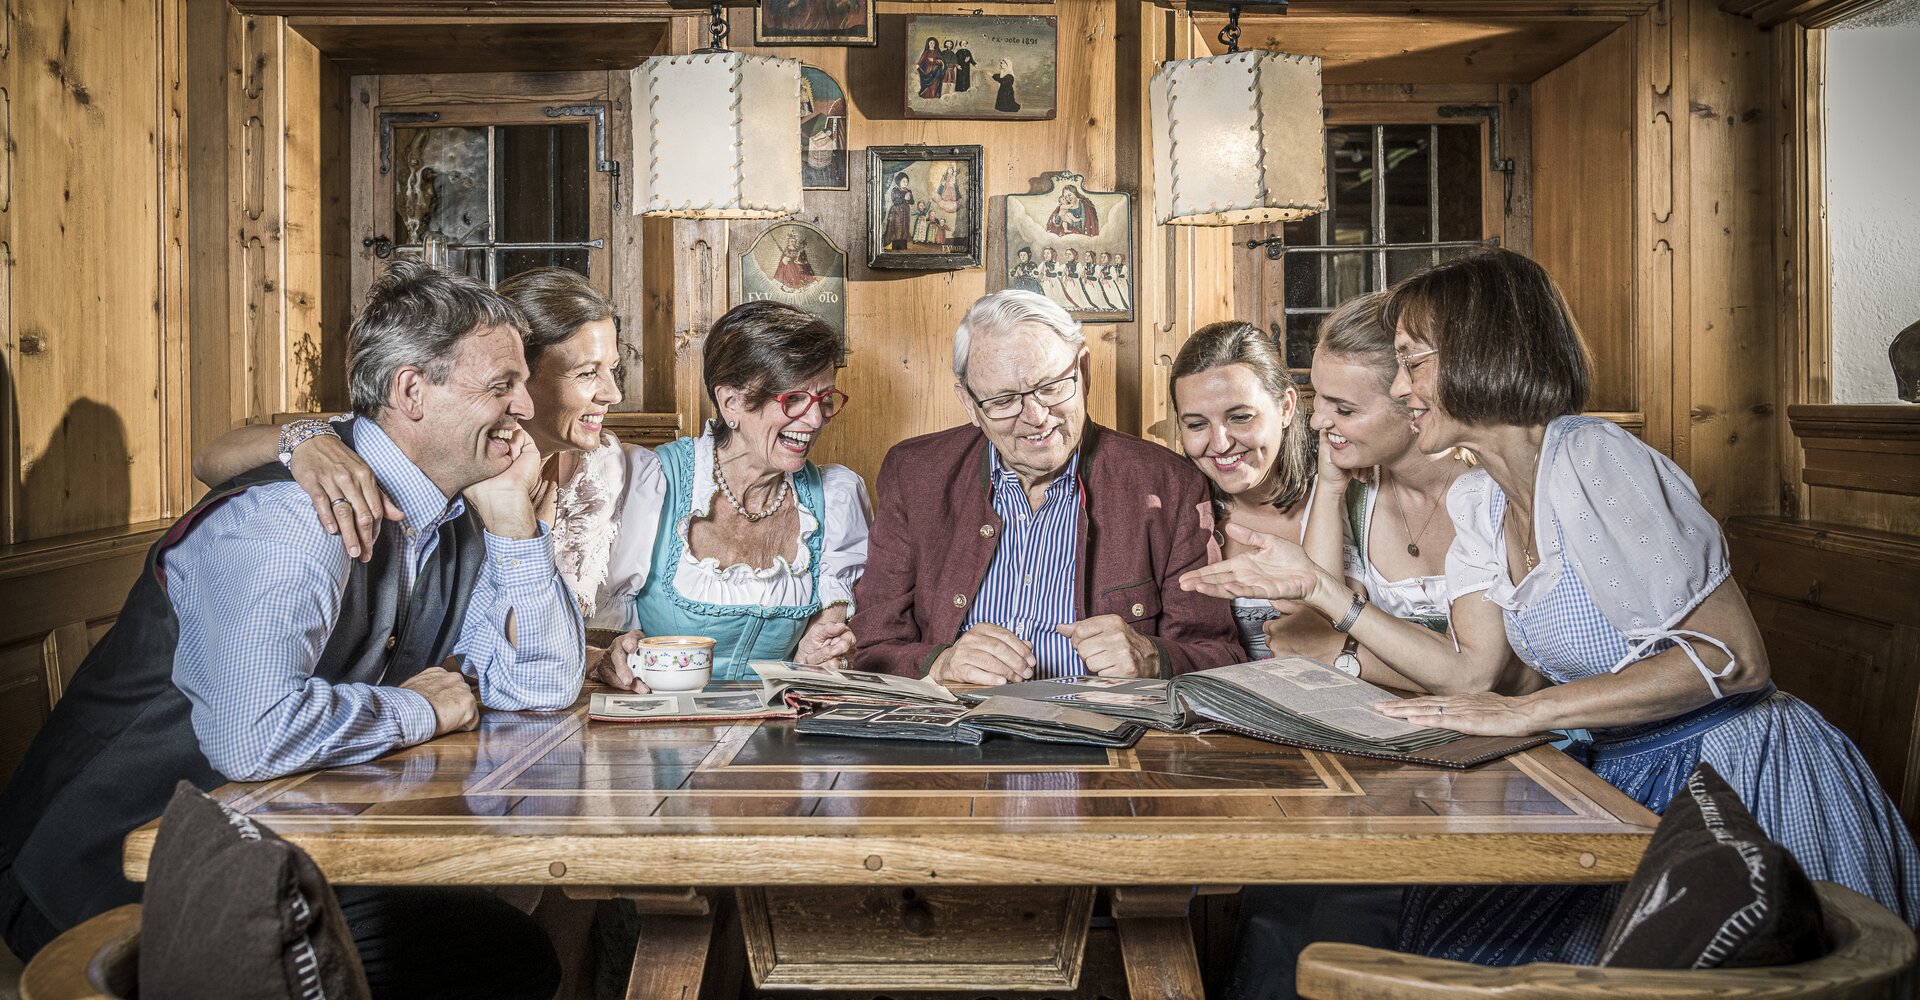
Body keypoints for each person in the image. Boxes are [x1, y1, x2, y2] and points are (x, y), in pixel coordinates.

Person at [1181, 248, 1920, 964]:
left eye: (1413, 362)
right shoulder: (1483, 499)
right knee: (1444, 929)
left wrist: (1525, 711)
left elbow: (1734, 661)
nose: (1403, 389)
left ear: (1481, 354)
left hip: (1734, 777)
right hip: (1623, 770)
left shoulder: (1593, 456)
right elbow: (1477, 675)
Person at [0, 262, 583, 998]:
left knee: (499, 938)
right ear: (411, 391)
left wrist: (512, 517)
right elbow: (254, 733)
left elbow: (542, 684)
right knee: (491, 953)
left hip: (269, 847)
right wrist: (422, 708)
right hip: (99, 871)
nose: (526, 405)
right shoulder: (292, 517)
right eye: (502, 386)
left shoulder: (458, 512)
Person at [1214, 293, 1453, 1000]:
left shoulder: (1481, 492)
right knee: (1282, 896)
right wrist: (1329, 476)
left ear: (1413, 401)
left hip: (1493, 747)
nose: (1318, 421)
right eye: (1317, 401)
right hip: (1392, 742)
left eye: (1341, 410)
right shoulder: (1355, 490)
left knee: (1340, 903)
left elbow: (1485, 677)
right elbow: (1309, 636)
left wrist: (1349, 653)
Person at [194, 267, 630, 624]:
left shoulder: (598, 469)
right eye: (587, 373)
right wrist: (305, 439)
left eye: (612, 369)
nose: (614, 394)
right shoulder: (416, 457)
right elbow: (208, 460)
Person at [855, 289, 1241, 685]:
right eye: (1005, 400)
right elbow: (872, 645)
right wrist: (941, 663)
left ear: (1084, 371)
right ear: (970, 405)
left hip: (1100, 732)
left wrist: (1155, 659)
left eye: (1052, 387)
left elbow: (1219, 654)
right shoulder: (915, 472)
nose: (1037, 417)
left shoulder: (1170, 483)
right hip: (959, 729)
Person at [591, 301, 870, 683]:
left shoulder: (835, 499)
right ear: (730, 402)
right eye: (793, 400)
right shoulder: (652, 483)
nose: (815, 419)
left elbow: (826, 637)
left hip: (778, 732)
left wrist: (812, 655)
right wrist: (607, 657)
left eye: (823, 399)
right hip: (662, 729)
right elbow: (589, 633)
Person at [1167, 320, 1323, 662]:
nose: (1220, 444)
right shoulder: (1174, 513)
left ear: (1285, 408)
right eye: (1196, 424)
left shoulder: (1340, 493)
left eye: (1240, 417)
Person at [883, 172, 914, 251]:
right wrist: (904, 198)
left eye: (907, 181)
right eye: (903, 181)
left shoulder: (908, 191)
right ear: (899, 181)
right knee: (897, 227)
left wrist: (909, 198)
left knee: (905, 226)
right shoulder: (895, 190)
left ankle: (903, 246)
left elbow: (912, 202)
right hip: (896, 211)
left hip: (906, 211)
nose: (905, 183)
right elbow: (895, 201)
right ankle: (895, 246)